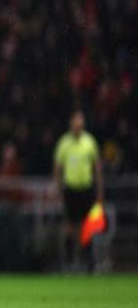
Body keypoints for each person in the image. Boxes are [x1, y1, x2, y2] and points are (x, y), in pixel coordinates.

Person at [53, 110, 104, 271]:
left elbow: (97, 167)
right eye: (75, 122)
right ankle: (69, 262)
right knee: (70, 226)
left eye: (80, 122)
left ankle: (89, 262)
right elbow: (58, 168)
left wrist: (99, 191)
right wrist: (58, 189)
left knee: (88, 226)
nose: (78, 125)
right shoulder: (64, 143)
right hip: (70, 189)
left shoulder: (89, 142)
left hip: (86, 189)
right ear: (71, 124)